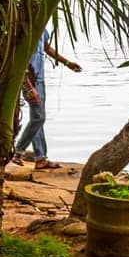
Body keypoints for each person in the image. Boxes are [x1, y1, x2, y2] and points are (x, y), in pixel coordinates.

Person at [12, 28, 80, 170]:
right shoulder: (25, 27)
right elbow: (19, 58)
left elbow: (47, 48)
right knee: (38, 117)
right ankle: (18, 152)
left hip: (39, 79)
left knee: (38, 118)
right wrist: (29, 87)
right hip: (29, 79)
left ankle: (40, 158)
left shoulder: (41, 28)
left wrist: (67, 63)